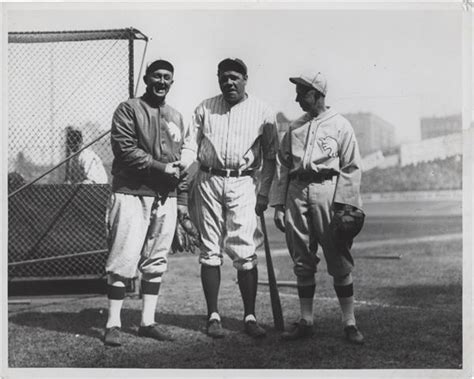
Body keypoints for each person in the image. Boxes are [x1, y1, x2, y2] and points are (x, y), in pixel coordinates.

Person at [178, 58, 278, 339]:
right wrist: (181, 168)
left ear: (246, 78)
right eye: (223, 77)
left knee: (244, 249)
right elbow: (190, 147)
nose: (229, 82)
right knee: (210, 248)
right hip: (209, 178)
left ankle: (249, 316)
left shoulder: (263, 111)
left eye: (234, 77)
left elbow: (270, 157)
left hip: (243, 181)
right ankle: (213, 315)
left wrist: (264, 192)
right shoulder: (205, 107)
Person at [271, 71, 365, 344]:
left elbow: (351, 166)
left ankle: (349, 322)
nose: (297, 98)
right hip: (297, 191)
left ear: (317, 94)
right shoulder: (295, 127)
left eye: (302, 92)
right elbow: (283, 164)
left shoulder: (340, 125)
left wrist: (344, 206)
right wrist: (279, 204)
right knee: (301, 258)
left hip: (328, 189)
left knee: (338, 256)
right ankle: (306, 320)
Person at [103, 59, 190, 346]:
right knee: (123, 258)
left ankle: (147, 322)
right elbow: (125, 150)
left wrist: (179, 183)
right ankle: (113, 323)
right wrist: (161, 168)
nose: (162, 82)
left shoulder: (177, 116)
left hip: (165, 196)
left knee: (156, 260)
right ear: (146, 78)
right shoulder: (128, 108)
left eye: (167, 77)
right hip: (131, 192)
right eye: (157, 76)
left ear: (172, 82)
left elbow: (182, 157)